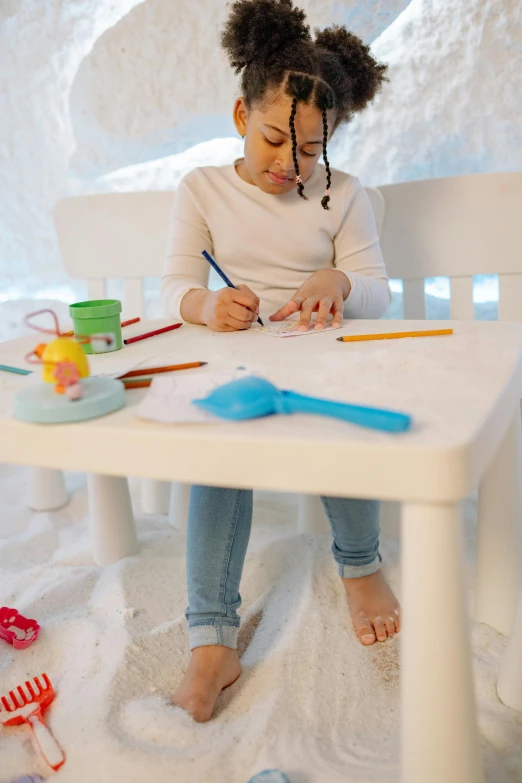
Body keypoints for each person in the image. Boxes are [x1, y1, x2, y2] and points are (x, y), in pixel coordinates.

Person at [161, 0, 397, 723]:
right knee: (217, 463)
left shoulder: (343, 196)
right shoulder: (202, 190)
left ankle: (361, 567)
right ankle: (212, 636)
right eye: (273, 139)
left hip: (318, 362)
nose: (288, 165)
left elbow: (377, 291)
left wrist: (338, 283)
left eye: (309, 150)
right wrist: (207, 308)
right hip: (236, 367)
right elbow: (174, 289)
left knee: (339, 433)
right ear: (241, 115)